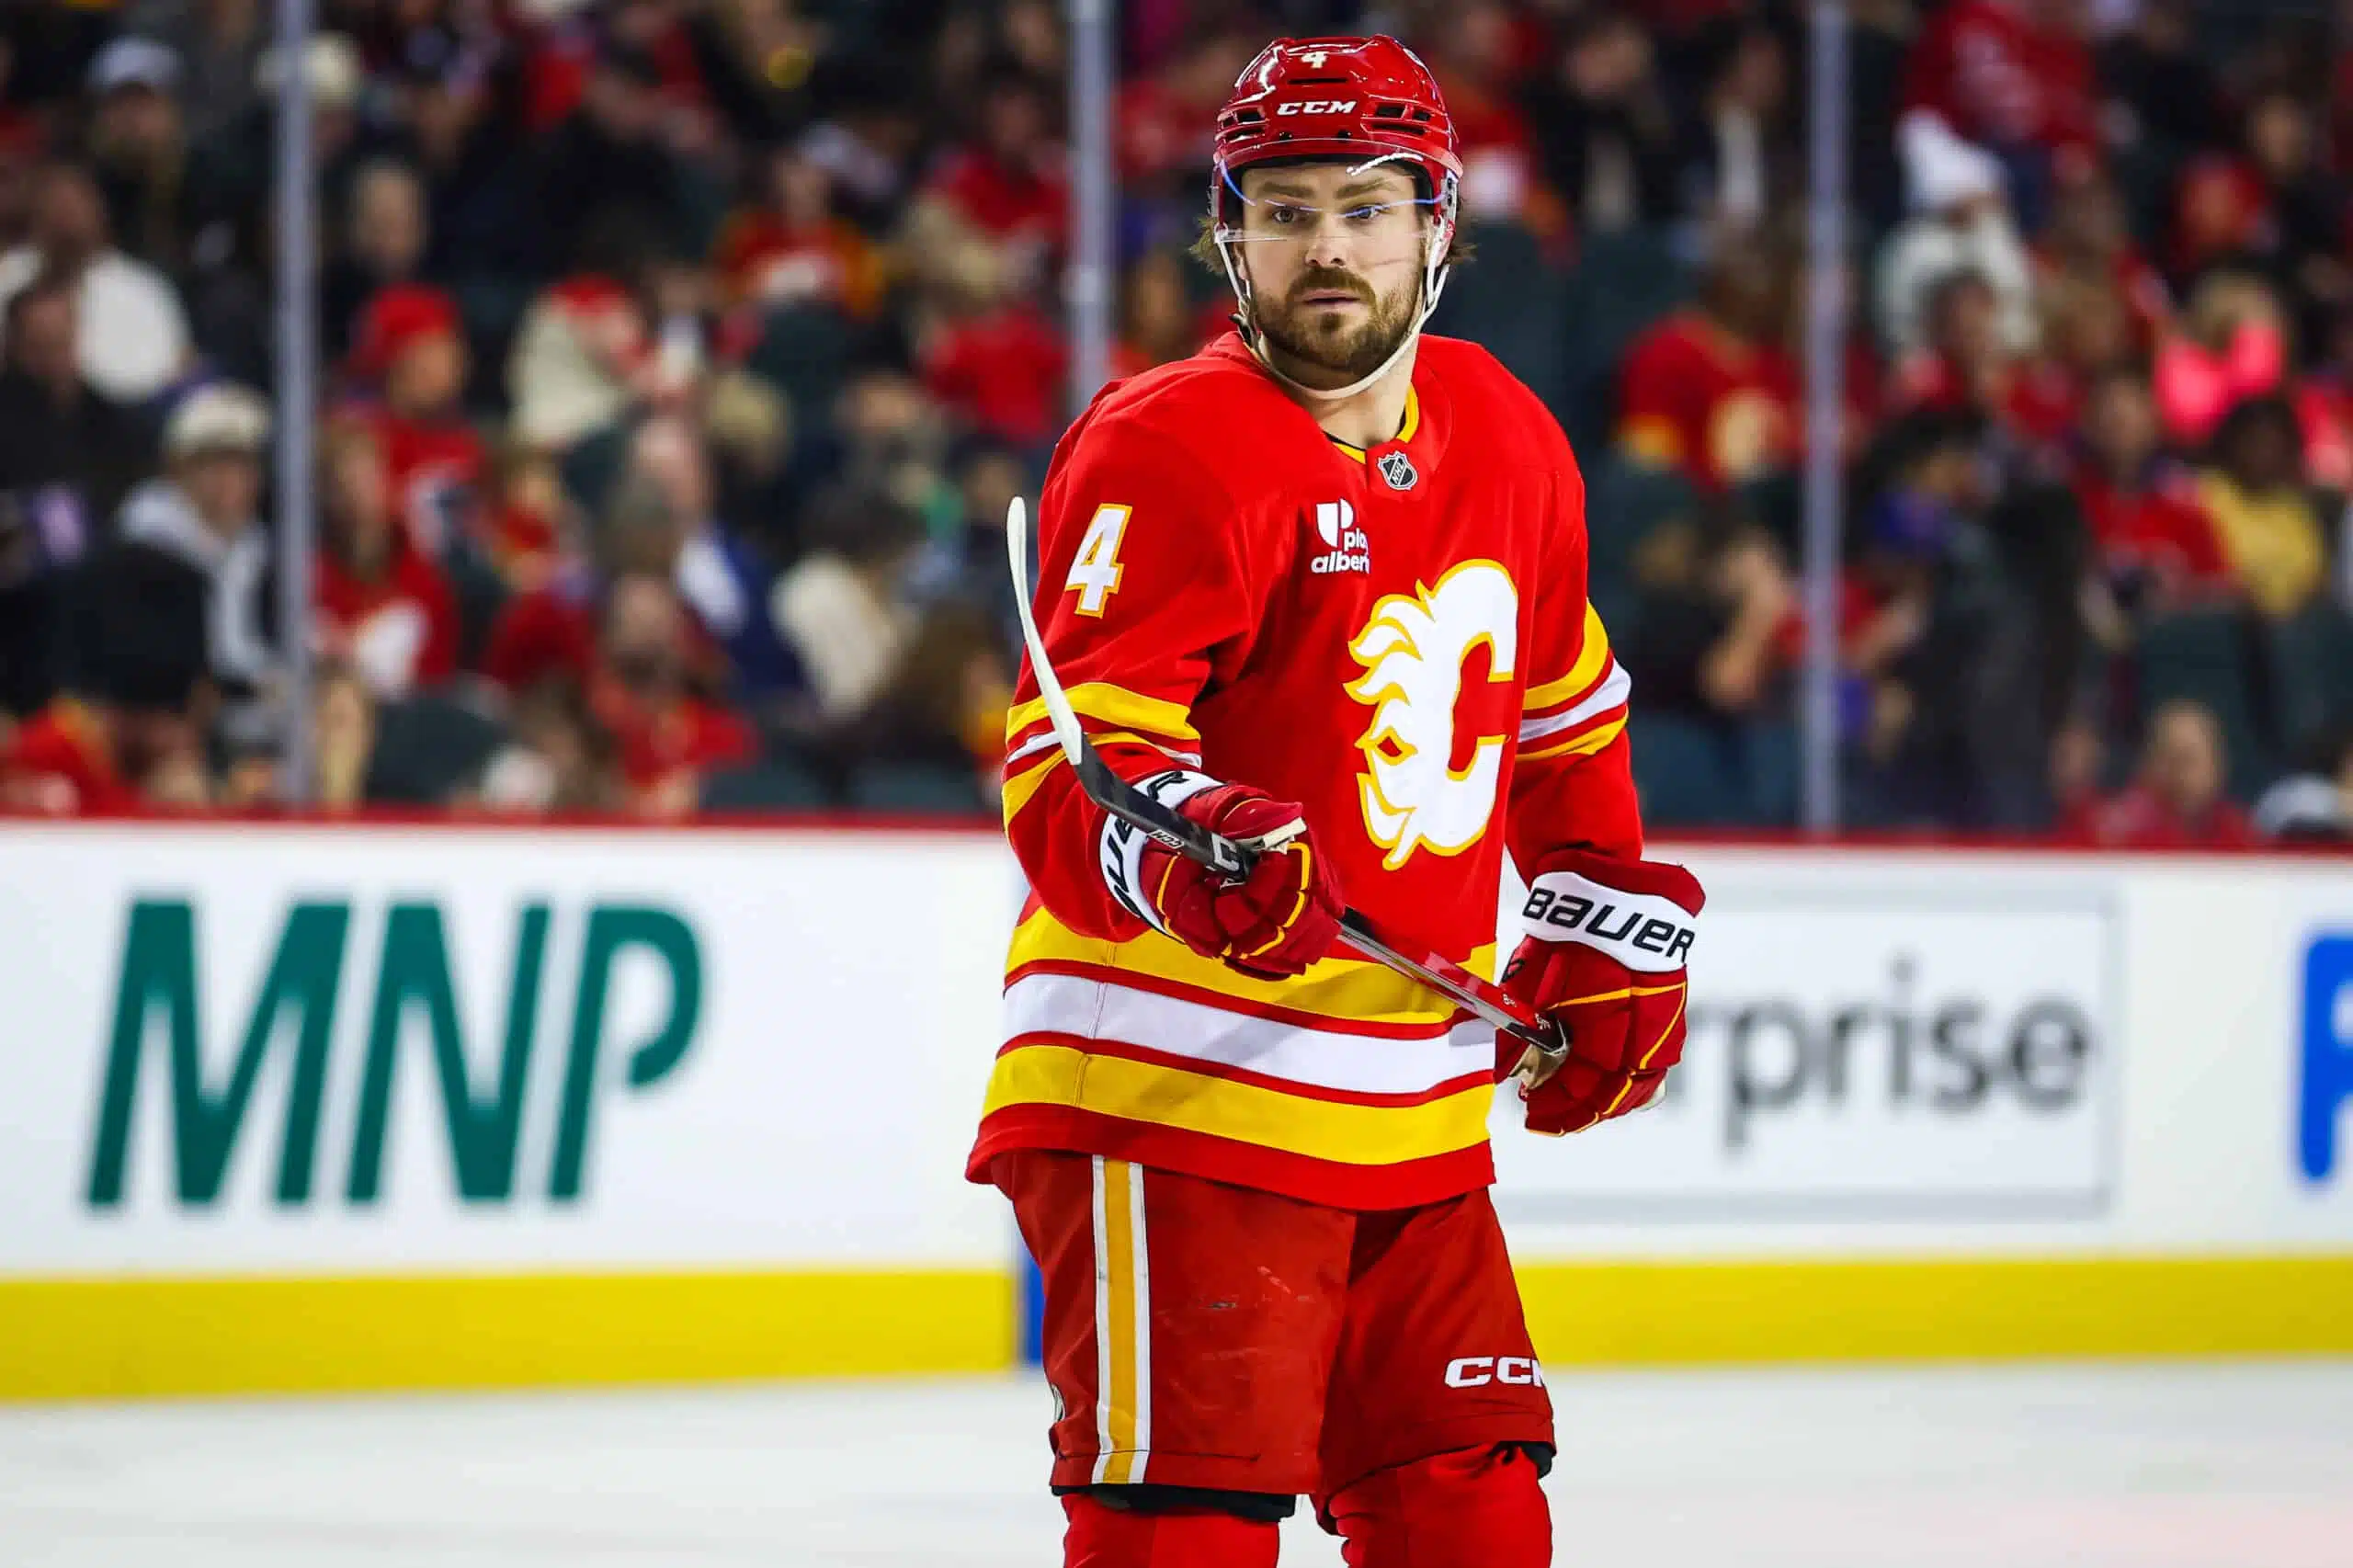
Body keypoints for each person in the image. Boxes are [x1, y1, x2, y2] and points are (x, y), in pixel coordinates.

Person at [975, 40, 1704, 1568]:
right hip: (1176, 1093)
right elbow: (1067, 766)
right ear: (1228, 233)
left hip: (1414, 1112)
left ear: (1439, 226)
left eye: (1367, 208)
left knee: (1473, 1522)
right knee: (1187, 1537)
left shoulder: (1510, 434)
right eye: (1287, 209)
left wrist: (1597, 914)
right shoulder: (1166, 442)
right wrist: (1186, 854)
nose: (1328, 247)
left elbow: (1564, 725)